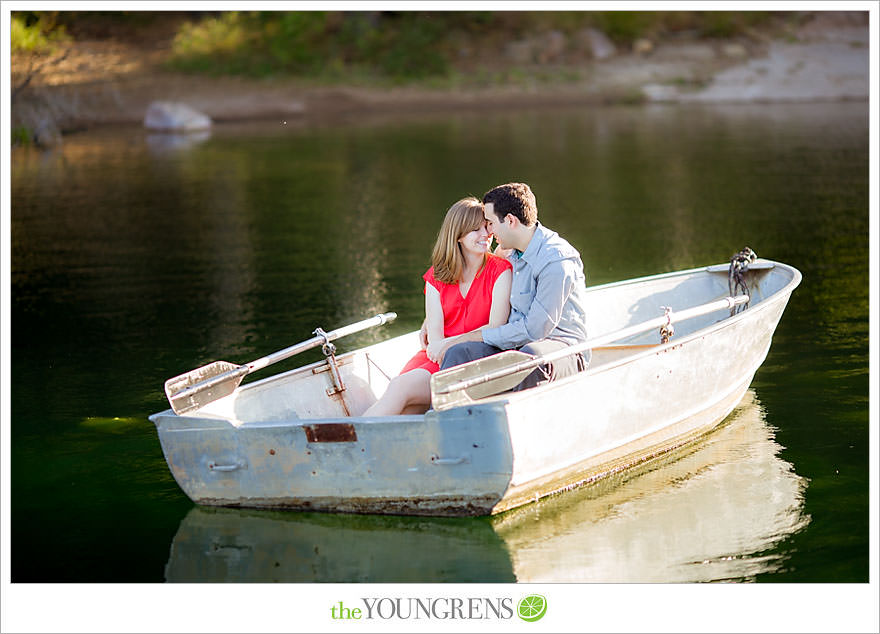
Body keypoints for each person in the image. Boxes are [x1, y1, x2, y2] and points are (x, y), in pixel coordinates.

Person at [363, 197, 512, 417]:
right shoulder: (436, 276)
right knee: (405, 405)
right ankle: (356, 442)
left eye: (486, 227)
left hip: (474, 359)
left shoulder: (500, 270)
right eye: (475, 230)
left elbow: (495, 327)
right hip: (436, 359)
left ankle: (349, 440)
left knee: (400, 390)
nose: (485, 235)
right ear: (458, 235)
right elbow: (434, 339)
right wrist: (441, 345)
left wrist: (449, 343)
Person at [436, 182, 589, 390]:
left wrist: (473, 336)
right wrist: (433, 318)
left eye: (490, 223)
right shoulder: (509, 251)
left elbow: (535, 330)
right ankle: (443, 417)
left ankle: (510, 418)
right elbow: (471, 281)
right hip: (514, 349)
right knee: (459, 352)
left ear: (510, 221)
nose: (488, 231)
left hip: (562, 351)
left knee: (530, 358)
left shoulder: (555, 261)